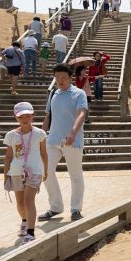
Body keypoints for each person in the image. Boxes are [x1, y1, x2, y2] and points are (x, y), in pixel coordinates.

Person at [39, 63, 88, 222]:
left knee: (75, 175)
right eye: (57, 77)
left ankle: (75, 209)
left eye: (63, 78)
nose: (60, 81)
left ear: (70, 78)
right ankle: (55, 207)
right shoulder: (53, 93)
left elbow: (81, 114)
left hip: (71, 141)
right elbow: (48, 116)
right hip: (52, 140)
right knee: (45, 172)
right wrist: (39, 136)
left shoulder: (78, 94)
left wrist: (73, 132)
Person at [3, 102, 48, 245]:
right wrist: (6, 175)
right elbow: (9, 156)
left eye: (28, 116)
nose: (25, 119)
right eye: (21, 116)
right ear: (16, 118)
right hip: (16, 171)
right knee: (20, 204)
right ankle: (24, 221)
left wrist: (45, 170)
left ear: (33, 116)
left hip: (35, 171)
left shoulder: (40, 133)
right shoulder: (11, 135)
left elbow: (43, 153)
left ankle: (30, 232)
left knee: (29, 201)